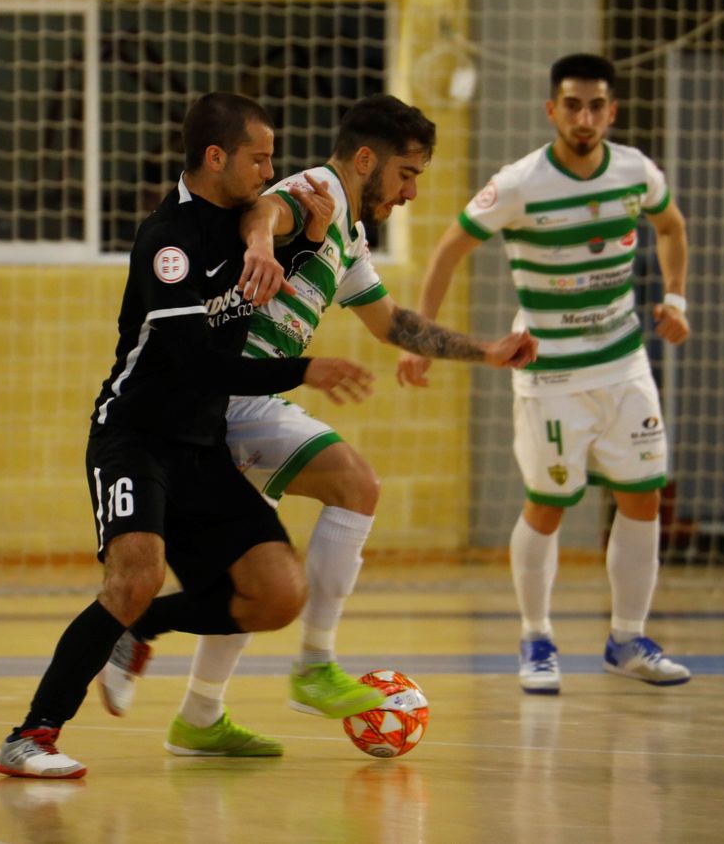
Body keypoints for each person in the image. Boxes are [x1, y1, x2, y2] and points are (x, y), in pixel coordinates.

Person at [95, 94, 537, 752]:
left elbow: (393, 324)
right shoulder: (318, 188)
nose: (411, 192)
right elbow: (266, 206)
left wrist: (486, 351)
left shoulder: (347, 236)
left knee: (250, 577)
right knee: (356, 485)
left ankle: (198, 715)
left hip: (240, 405)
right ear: (367, 159)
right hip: (237, 394)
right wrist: (262, 245)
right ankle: (314, 666)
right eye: (408, 173)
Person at [0, 92, 375, 779]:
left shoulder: (246, 218)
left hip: (200, 445)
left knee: (277, 595)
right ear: (215, 157)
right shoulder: (168, 242)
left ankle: (144, 629)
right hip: (135, 434)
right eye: (259, 158)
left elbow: (274, 222)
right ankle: (31, 736)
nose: (270, 172)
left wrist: (309, 238)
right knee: (134, 575)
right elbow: (193, 362)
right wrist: (307, 368)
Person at [397, 53, 693, 693]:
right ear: (552, 110)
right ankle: (536, 639)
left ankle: (626, 639)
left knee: (642, 496)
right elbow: (449, 249)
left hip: (624, 366)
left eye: (596, 106)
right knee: (549, 504)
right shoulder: (520, 183)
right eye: (572, 104)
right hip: (550, 373)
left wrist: (676, 298)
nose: (584, 117)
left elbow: (670, 226)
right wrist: (420, 337)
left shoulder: (636, 171)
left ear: (611, 112)